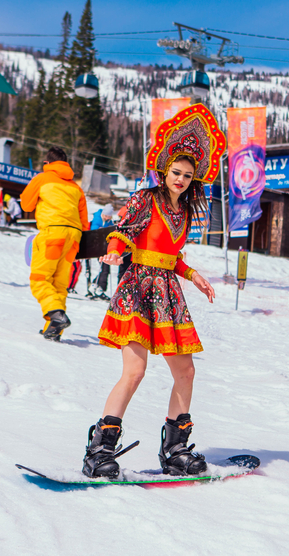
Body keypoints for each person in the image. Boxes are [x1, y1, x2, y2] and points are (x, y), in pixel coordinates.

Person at [82, 104, 222, 479]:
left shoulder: (186, 212)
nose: (180, 179)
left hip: (169, 294)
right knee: (136, 370)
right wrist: (114, 248)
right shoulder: (147, 198)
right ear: (164, 170)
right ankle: (100, 451)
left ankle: (176, 449)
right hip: (139, 287)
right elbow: (122, 228)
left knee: (187, 372)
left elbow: (171, 257)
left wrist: (194, 275)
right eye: (176, 172)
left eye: (187, 175)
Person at [20, 147, 88, 341]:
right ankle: (54, 328)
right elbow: (84, 222)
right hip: (74, 237)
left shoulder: (42, 178)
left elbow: (26, 204)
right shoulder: (76, 187)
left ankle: (56, 314)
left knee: (40, 279)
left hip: (52, 233)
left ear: (47, 164)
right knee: (59, 283)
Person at [87, 204, 115, 299]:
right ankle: (100, 287)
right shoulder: (97, 219)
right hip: (97, 247)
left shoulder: (109, 221)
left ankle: (96, 285)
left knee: (104, 268)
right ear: (103, 214)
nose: (107, 218)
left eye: (109, 216)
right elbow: (94, 230)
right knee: (105, 268)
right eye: (106, 215)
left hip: (104, 248)